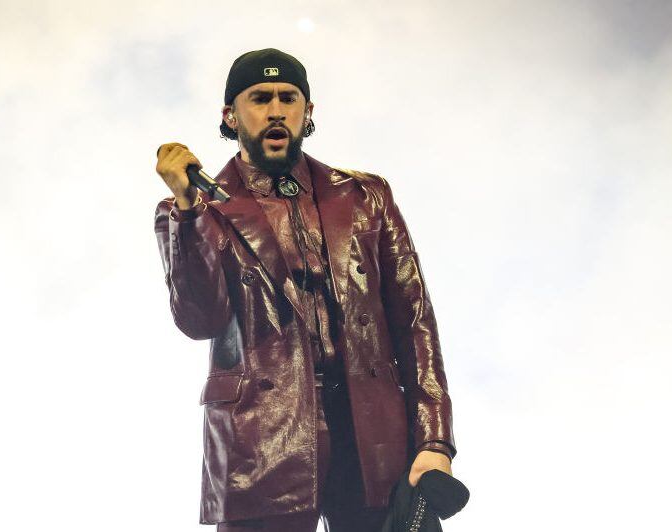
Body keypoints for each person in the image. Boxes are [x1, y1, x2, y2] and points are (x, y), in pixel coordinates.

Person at [154, 48, 456, 532]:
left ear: (307, 112)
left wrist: (434, 442)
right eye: (259, 98)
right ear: (230, 115)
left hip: (373, 438)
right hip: (263, 440)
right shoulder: (194, 210)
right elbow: (200, 320)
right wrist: (189, 210)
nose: (276, 110)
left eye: (288, 98)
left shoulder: (365, 196)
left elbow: (415, 321)